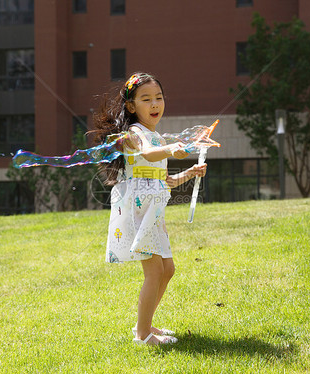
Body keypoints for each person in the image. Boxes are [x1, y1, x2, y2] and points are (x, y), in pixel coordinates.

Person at [93, 72, 207, 346]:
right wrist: (170, 149)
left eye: (158, 97)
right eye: (146, 99)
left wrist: (191, 172)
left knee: (167, 270)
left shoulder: (155, 135)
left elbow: (165, 180)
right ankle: (142, 335)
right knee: (154, 271)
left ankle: (146, 325)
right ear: (131, 107)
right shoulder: (135, 133)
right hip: (137, 210)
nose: (155, 104)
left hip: (153, 210)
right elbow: (147, 154)